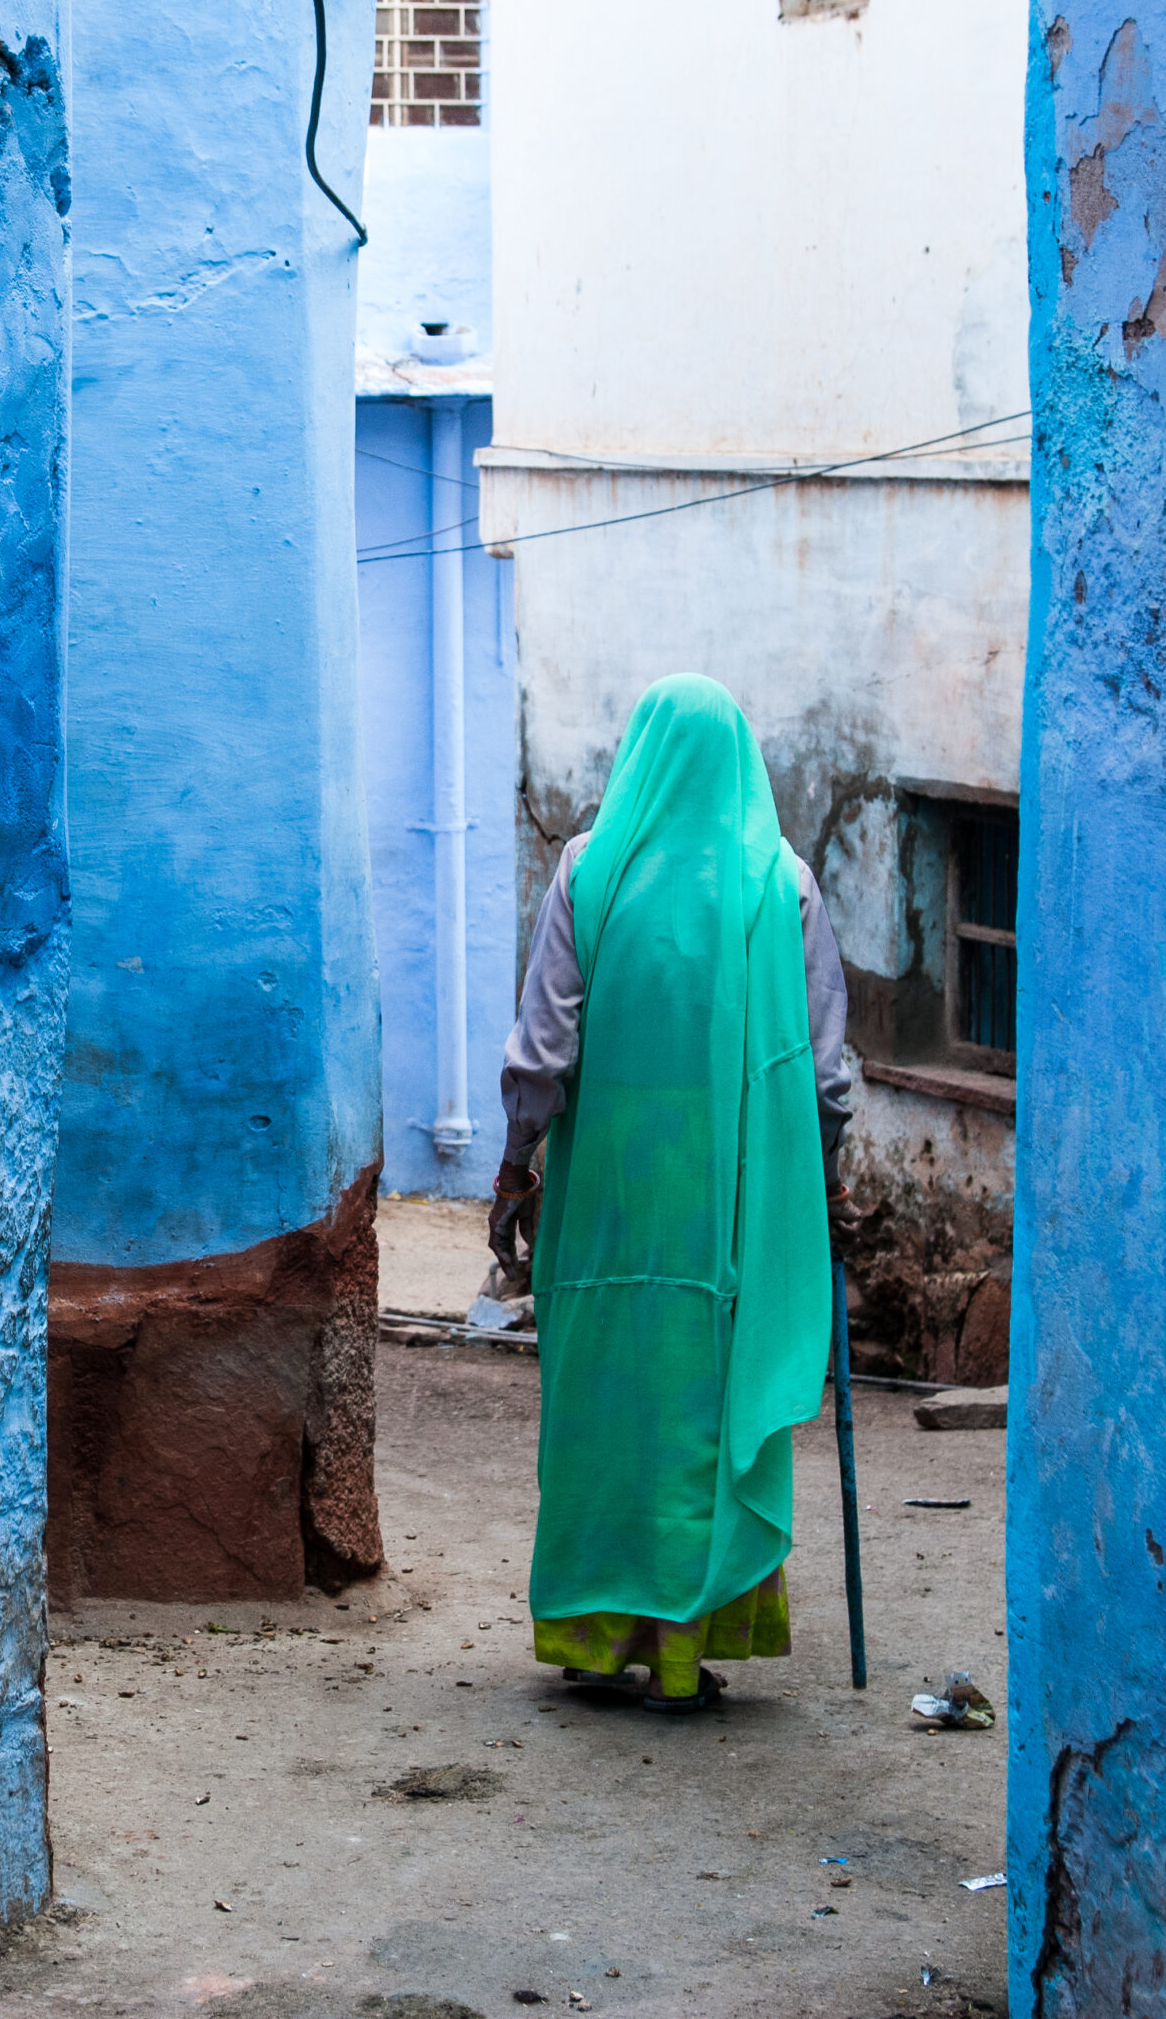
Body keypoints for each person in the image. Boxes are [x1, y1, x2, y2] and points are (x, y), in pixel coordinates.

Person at [488, 674, 856, 1713]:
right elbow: (823, 1073)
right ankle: (691, 1645)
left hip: (610, 1182)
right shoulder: (779, 883)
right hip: (730, 1190)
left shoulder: (588, 872)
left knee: (606, 1396)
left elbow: (542, 1051)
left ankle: (597, 1638)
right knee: (709, 1391)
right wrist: (814, 1182)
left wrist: (516, 1169)